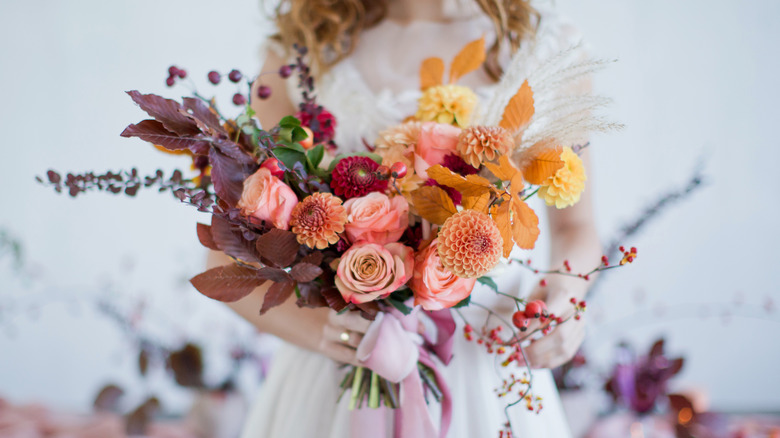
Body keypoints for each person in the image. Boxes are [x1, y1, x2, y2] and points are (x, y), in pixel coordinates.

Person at [209, 0, 603, 436]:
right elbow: (230, 253)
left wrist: (565, 297)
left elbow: (576, 228)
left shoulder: (548, 45)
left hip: (488, 356)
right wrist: (329, 332)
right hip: (340, 363)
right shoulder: (302, 47)